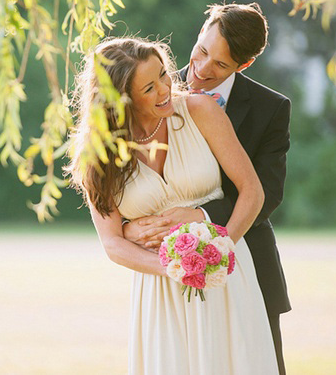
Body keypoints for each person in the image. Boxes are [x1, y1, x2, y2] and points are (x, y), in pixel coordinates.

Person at [66, 36, 279, 374]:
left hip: (223, 275)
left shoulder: (199, 111)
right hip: (160, 290)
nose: (165, 89)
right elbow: (112, 243)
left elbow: (252, 191)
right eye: (149, 88)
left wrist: (220, 248)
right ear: (120, 100)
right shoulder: (99, 154)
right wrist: (173, 268)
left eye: (163, 74)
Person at [123, 3, 291, 374]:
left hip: (247, 259)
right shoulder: (150, 88)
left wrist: (202, 220)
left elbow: (266, 193)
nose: (200, 69)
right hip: (167, 278)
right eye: (201, 51)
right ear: (200, 33)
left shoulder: (271, 109)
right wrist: (129, 227)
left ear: (243, 66)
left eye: (220, 65)